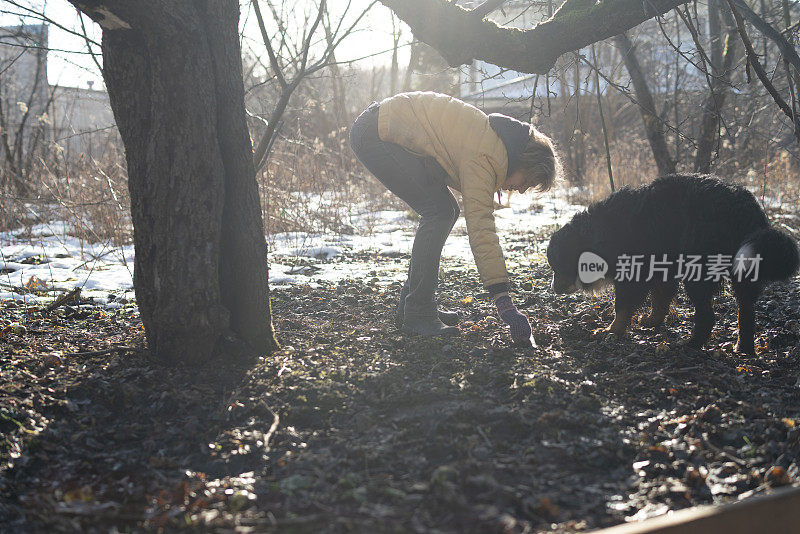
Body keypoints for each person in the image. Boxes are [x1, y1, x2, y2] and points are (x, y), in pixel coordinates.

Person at [349, 91, 558, 343]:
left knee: (443, 210)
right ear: (524, 162)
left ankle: (412, 307)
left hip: (379, 127)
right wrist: (504, 303)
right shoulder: (487, 157)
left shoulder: (494, 144)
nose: (523, 189)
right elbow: (482, 230)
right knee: (438, 212)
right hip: (376, 133)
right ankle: (418, 311)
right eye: (528, 181)